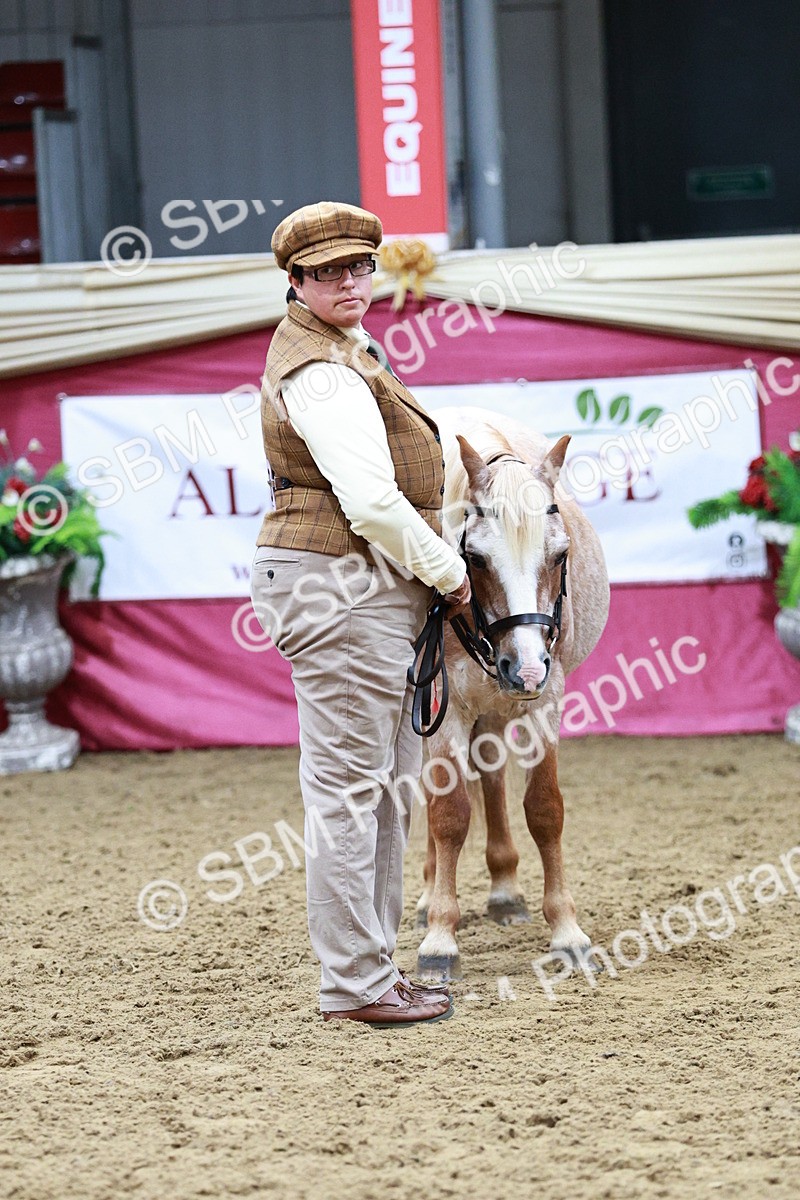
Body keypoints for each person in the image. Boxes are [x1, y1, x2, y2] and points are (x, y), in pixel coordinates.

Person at [251, 201, 470, 1028]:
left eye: (360, 266)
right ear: (296, 282)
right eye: (328, 271)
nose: (349, 282)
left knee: (384, 789)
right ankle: (353, 983)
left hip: (360, 584)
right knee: (351, 791)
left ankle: (372, 969)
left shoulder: (344, 349)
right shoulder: (321, 369)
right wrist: (449, 574)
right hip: (339, 583)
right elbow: (373, 502)